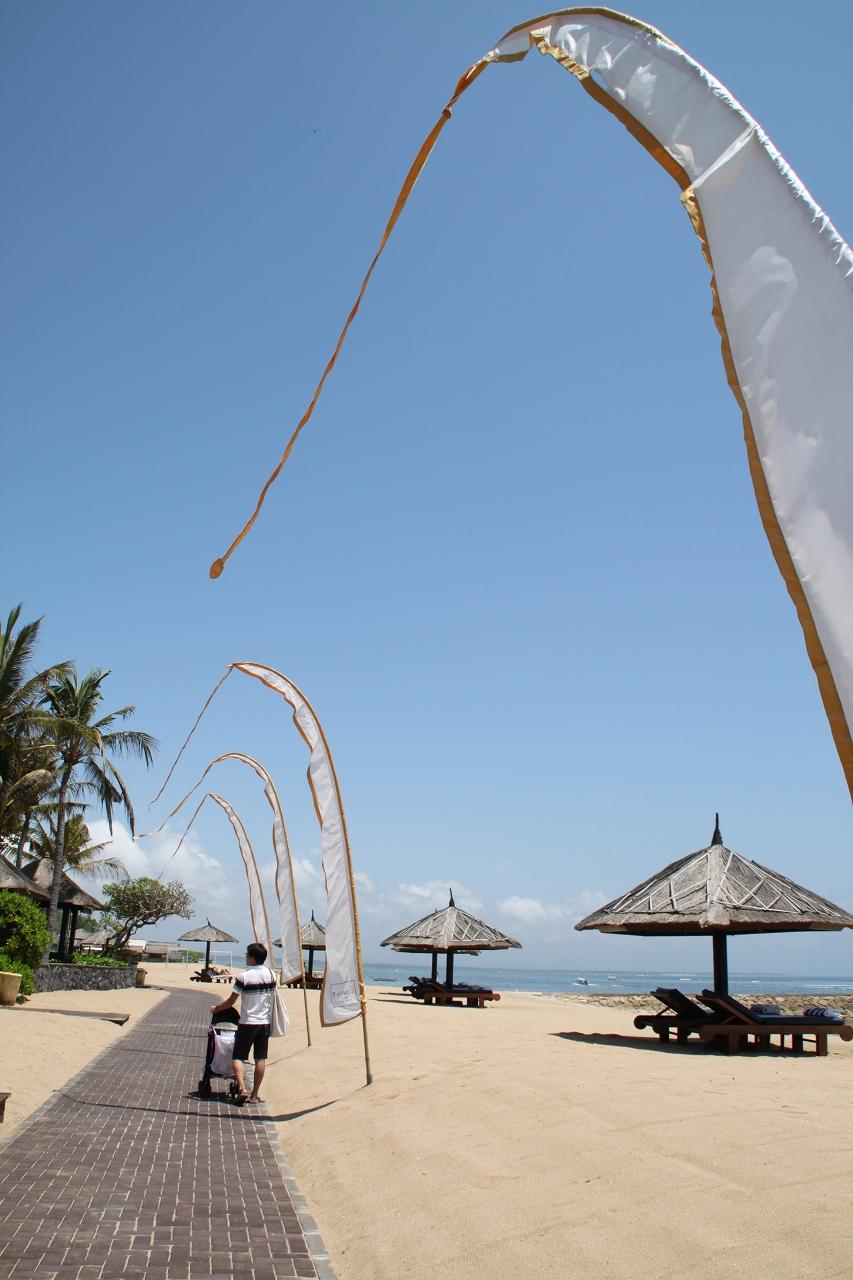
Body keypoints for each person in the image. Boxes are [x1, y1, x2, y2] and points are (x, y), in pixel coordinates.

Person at [211, 941, 276, 1104]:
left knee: (238, 1056)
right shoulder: (272, 975)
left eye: (247, 954)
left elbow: (231, 1001)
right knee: (260, 1058)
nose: (246, 957)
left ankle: (242, 1088)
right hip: (264, 1023)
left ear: (252, 957)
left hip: (247, 1023)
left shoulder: (244, 977)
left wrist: (217, 1008)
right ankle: (255, 1094)